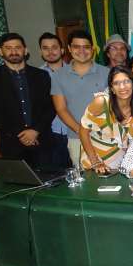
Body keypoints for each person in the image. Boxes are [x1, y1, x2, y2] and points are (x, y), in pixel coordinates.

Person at [0, 33, 55, 168]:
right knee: (18, 187)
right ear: (0, 51)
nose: (13, 51)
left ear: (25, 50)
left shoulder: (41, 75)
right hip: (11, 143)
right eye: (8, 48)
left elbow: (51, 107)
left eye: (18, 47)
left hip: (42, 140)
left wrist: (35, 131)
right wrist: (22, 134)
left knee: (49, 185)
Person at [51, 30, 109, 166]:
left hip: (106, 137)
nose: (82, 51)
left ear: (93, 49)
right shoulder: (58, 76)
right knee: (86, 180)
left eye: (86, 47)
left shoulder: (107, 73)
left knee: (111, 180)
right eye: (77, 47)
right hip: (76, 138)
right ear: (69, 49)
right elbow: (61, 109)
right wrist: (82, 132)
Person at [79, 67, 133, 173]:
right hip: (95, 166)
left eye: (126, 81)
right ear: (112, 89)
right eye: (116, 83)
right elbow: (83, 131)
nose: (122, 87)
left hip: (122, 166)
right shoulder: (101, 102)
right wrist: (95, 162)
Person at [38, 32, 71, 169]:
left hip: (75, 132)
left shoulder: (74, 72)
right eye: (45, 48)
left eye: (54, 47)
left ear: (62, 50)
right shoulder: (36, 76)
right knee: (55, 176)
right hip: (50, 134)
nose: (50, 51)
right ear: (41, 51)